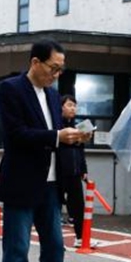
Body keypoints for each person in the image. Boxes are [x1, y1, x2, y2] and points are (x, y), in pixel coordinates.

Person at [0, 39, 89, 262]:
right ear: (36, 62)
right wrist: (58, 137)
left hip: (51, 183)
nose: (56, 75)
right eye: (53, 68)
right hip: (20, 181)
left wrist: (70, 138)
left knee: (54, 248)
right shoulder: (9, 89)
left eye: (61, 69)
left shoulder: (51, 95)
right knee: (17, 250)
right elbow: (16, 135)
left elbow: (52, 137)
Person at [57, 94, 88, 247]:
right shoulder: (56, 125)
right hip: (58, 172)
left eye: (74, 105)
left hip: (75, 173)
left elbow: (81, 150)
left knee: (78, 206)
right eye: (69, 105)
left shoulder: (79, 127)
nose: (73, 108)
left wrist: (84, 169)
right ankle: (54, 239)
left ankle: (80, 238)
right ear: (61, 107)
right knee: (55, 205)